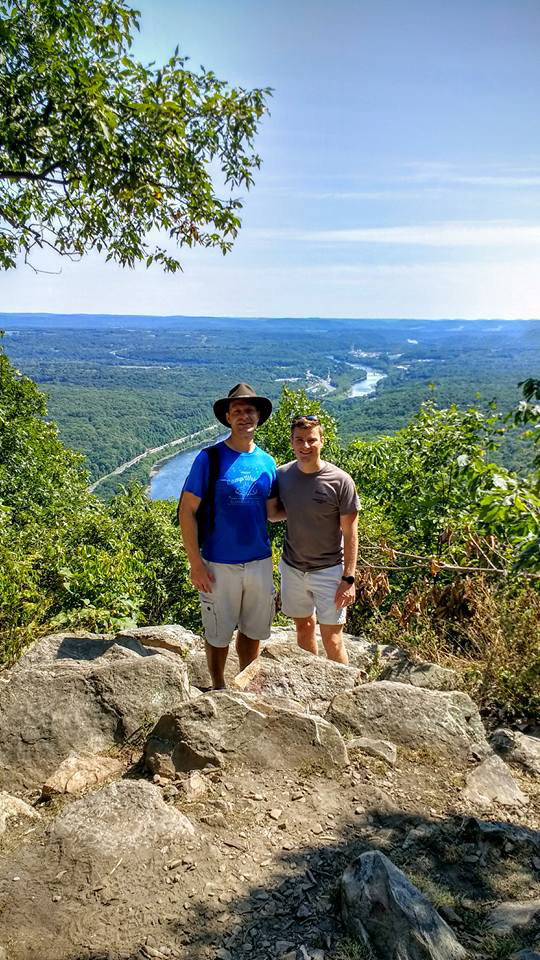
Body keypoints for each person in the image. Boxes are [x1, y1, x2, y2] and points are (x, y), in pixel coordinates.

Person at [179, 383, 277, 689]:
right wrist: (196, 563)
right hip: (218, 563)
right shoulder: (210, 459)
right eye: (237, 411)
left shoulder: (268, 462)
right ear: (227, 417)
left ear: (258, 416)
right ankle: (219, 688)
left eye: (249, 410)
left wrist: (317, 508)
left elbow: (272, 511)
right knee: (218, 633)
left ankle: (245, 687)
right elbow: (186, 511)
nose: (244, 416)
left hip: (259, 561)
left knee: (253, 631)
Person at [268, 414, 359, 664]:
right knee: (304, 627)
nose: (305, 446)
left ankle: (344, 692)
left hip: (329, 571)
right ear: (291, 442)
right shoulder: (282, 475)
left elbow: (351, 533)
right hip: (293, 567)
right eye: (299, 440)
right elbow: (275, 515)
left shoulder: (340, 481)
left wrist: (348, 579)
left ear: (322, 441)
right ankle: (313, 679)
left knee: (333, 638)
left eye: (311, 440)